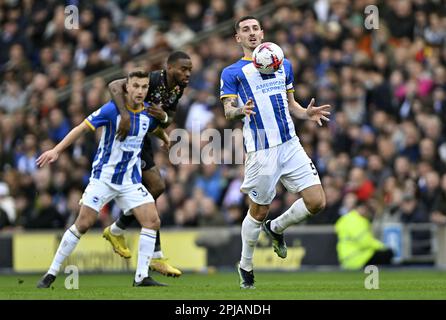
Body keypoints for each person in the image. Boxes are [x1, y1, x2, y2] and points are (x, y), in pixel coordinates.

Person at [220, 16, 330, 289]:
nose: (252, 33)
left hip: (290, 144)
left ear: (262, 32)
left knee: (317, 202)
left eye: (255, 28)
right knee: (258, 210)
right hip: (261, 150)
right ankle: (246, 264)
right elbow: (227, 110)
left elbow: (291, 104)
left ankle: (277, 228)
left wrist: (306, 113)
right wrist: (238, 111)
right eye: (245, 30)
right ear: (238, 38)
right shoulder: (232, 72)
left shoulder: (282, 62)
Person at [36, 70, 170, 288]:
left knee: (152, 221)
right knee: (83, 224)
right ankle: (50, 274)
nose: (140, 91)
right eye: (135, 86)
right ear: (127, 87)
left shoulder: (147, 113)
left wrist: (165, 137)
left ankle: (141, 277)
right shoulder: (111, 110)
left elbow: (154, 128)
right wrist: (56, 150)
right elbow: (82, 127)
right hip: (104, 178)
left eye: (144, 87)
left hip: (130, 181)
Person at [103, 51, 192, 277]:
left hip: (141, 137)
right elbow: (114, 85)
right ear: (169, 67)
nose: (188, 74)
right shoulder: (152, 80)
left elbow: (168, 118)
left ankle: (118, 230)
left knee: (155, 189)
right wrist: (124, 114)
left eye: (190, 70)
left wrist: (162, 119)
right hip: (126, 135)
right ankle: (153, 256)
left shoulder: (177, 89)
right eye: (183, 69)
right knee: (153, 189)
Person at [335, 201, 394, 270]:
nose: (366, 212)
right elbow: (365, 242)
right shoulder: (357, 220)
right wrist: (382, 246)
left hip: (346, 258)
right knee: (388, 253)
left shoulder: (345, 219)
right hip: (357, 257)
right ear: (361, 208)